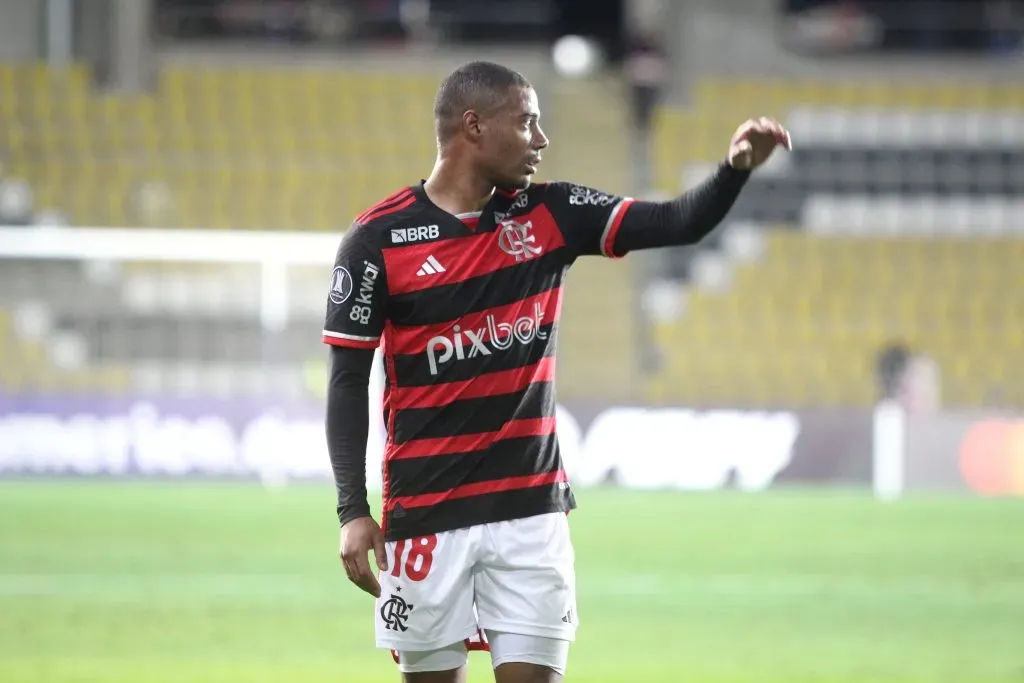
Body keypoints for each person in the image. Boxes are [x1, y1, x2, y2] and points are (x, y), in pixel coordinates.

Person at [324, 61, 791, 683]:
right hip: (426, 516)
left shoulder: (553, 214)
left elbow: (678, 221)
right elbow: (348, 381)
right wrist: (353, 509)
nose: (541, 139)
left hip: (529, 517)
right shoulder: (376, 241)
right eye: (526, 122)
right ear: (474, 127)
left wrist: (734, 169)